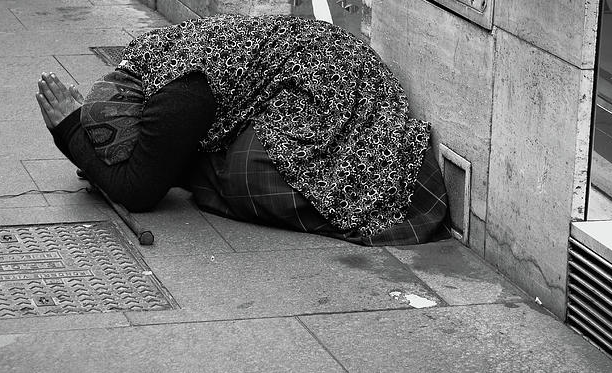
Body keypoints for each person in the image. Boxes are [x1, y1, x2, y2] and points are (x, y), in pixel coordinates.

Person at [37, 14, 448, 245]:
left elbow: (138, 192)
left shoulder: (176, 100)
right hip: (316, 69)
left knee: (245, 174)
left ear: (146, 123)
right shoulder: (144, 63)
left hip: (334, 89)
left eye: (138, 147)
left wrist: (70, 130)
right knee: (226, 159)